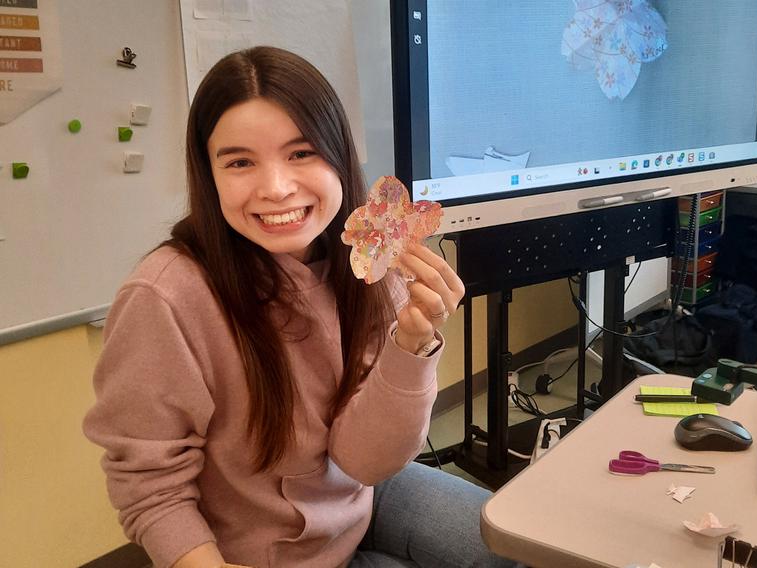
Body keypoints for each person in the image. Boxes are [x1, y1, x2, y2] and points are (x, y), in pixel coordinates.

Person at [84, 46, 514, 568]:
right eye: (240, 161)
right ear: (208, 174)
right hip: (263, 552)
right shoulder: (166, 298)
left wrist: (413, 343)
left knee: (517, 544)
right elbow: (150, 483)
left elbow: (364, 460)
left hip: (358, 498)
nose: (276, 188)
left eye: (301, 152)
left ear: (338, 154)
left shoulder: (367, 264)